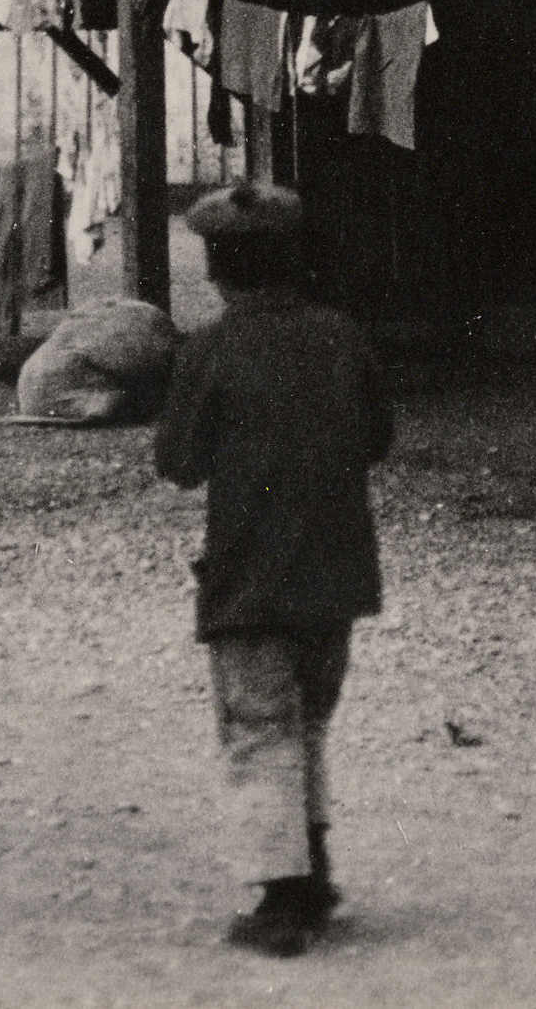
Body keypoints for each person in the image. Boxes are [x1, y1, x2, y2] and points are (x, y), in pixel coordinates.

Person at [151, 183, 394, 958]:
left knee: (259, 729)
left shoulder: (210, 349)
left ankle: (283, 898)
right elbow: (378, 435)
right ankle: (314, 867)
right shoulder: (341, 334)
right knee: (309, 723)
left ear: (219, 267)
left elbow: (178, 462)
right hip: (337, 572)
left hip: (250, 574)